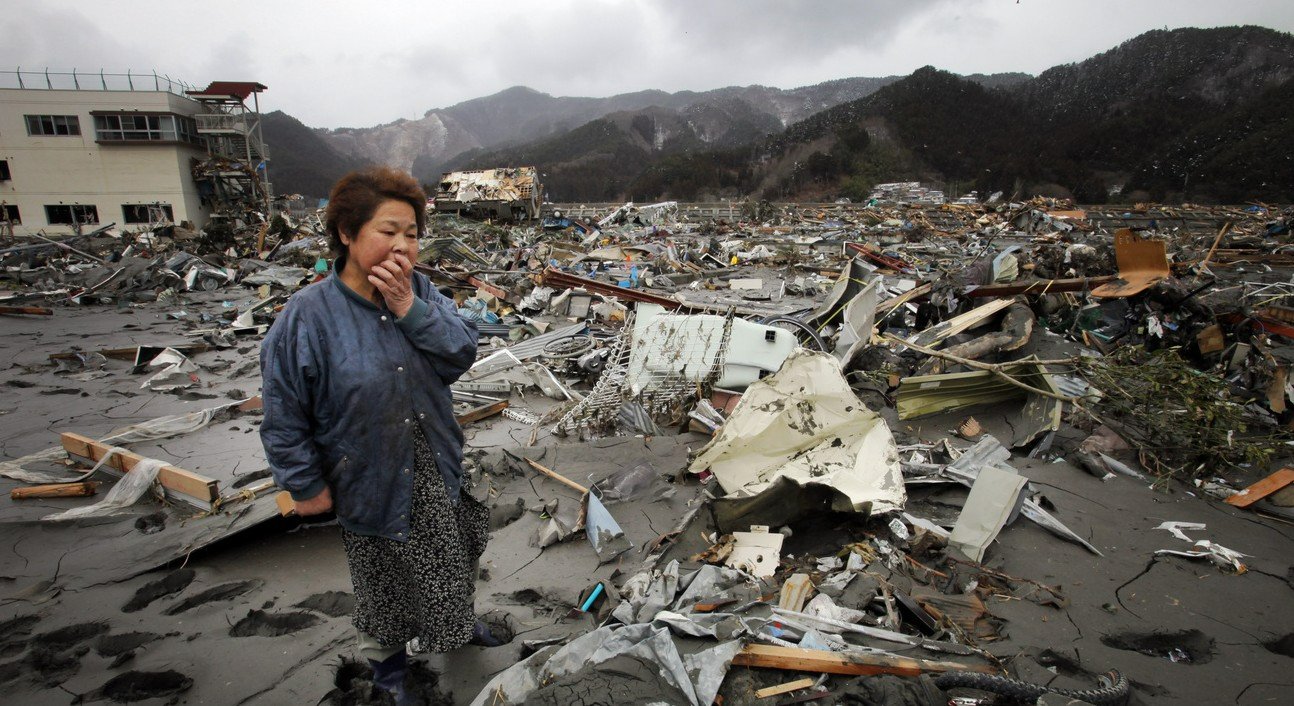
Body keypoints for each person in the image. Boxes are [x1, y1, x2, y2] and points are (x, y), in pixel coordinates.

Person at [260, 166, 494, 704]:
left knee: (454, 553)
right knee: (382, 576)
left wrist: (409, 310)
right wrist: (303, 484)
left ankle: (458, 627)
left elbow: (461, 352)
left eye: (411, 234)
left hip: (435, 459)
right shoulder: (307, 317)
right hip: (365, 472)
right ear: (346, 233)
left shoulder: (422, 291)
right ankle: (387, 666)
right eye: (388, 231)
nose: (404, 246)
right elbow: (282, 412)